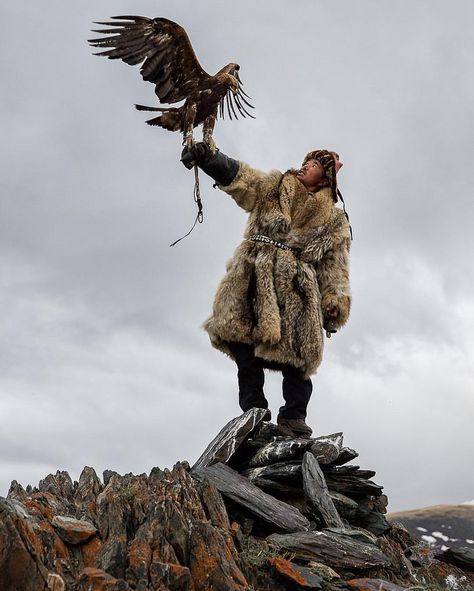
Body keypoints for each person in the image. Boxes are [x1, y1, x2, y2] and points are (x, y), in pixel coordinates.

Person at [181, 144, 351, 438]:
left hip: (297, 288)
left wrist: (333, 303)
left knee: (299, 358)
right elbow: (241, 178)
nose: (305, 166)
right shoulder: (273, 187)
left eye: (313, 165)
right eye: (306, 161)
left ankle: (294, 418)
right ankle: (253, 414)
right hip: (251, 277)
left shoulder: (334, 220)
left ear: (325, 178)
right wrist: (209, 158)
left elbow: (335, 267)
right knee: (244, 350)